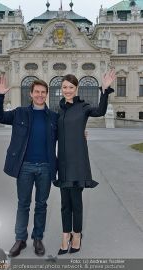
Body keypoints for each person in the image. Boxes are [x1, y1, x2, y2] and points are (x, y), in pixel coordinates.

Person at [0, 76, 58, 257]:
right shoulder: (19, 113)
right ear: (31, 94)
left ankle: (37, 239)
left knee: (41, 205)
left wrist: (81, 133)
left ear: (47, 95)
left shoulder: (54, 117)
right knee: (23, 204)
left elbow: (67, 134)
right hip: (25, 167)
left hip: (46, 167)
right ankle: (20, 240)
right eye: (37, 92)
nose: (40, 95)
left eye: (43, 92)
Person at [54, 70, 116, 255]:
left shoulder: (84, 107)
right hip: (63, 162)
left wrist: (104, 90)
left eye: (71, 87)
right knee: (65, 203)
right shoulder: (60, 109)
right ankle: (65, 235)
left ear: (76, 88)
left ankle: (77, 235)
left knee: (76, 202)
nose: (67, 90)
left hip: (78, 161)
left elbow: (100, 111)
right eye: (64, 87)